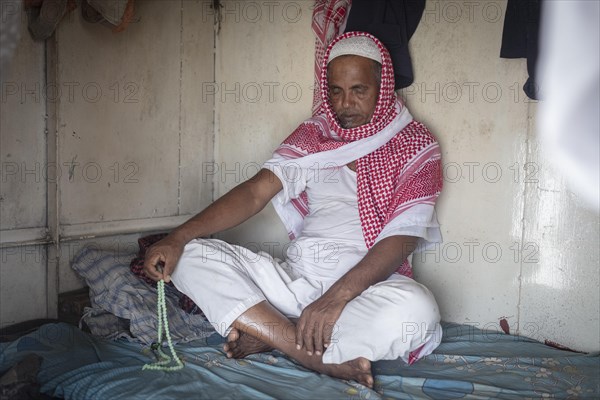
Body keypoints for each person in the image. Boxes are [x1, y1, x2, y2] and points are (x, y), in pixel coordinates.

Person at [144, 32, 443, 388]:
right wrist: (177, 237)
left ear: (383, 87)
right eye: (335, 91)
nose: (345, 104)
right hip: (296, 283)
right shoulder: (314, 135)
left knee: (418, 309)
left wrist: (336, 298)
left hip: (362, 293)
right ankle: (305, 350)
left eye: (358, 90)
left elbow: (402, 238)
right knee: (191, 255)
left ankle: (272, 334)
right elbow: (256, 193)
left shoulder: (415, 145)